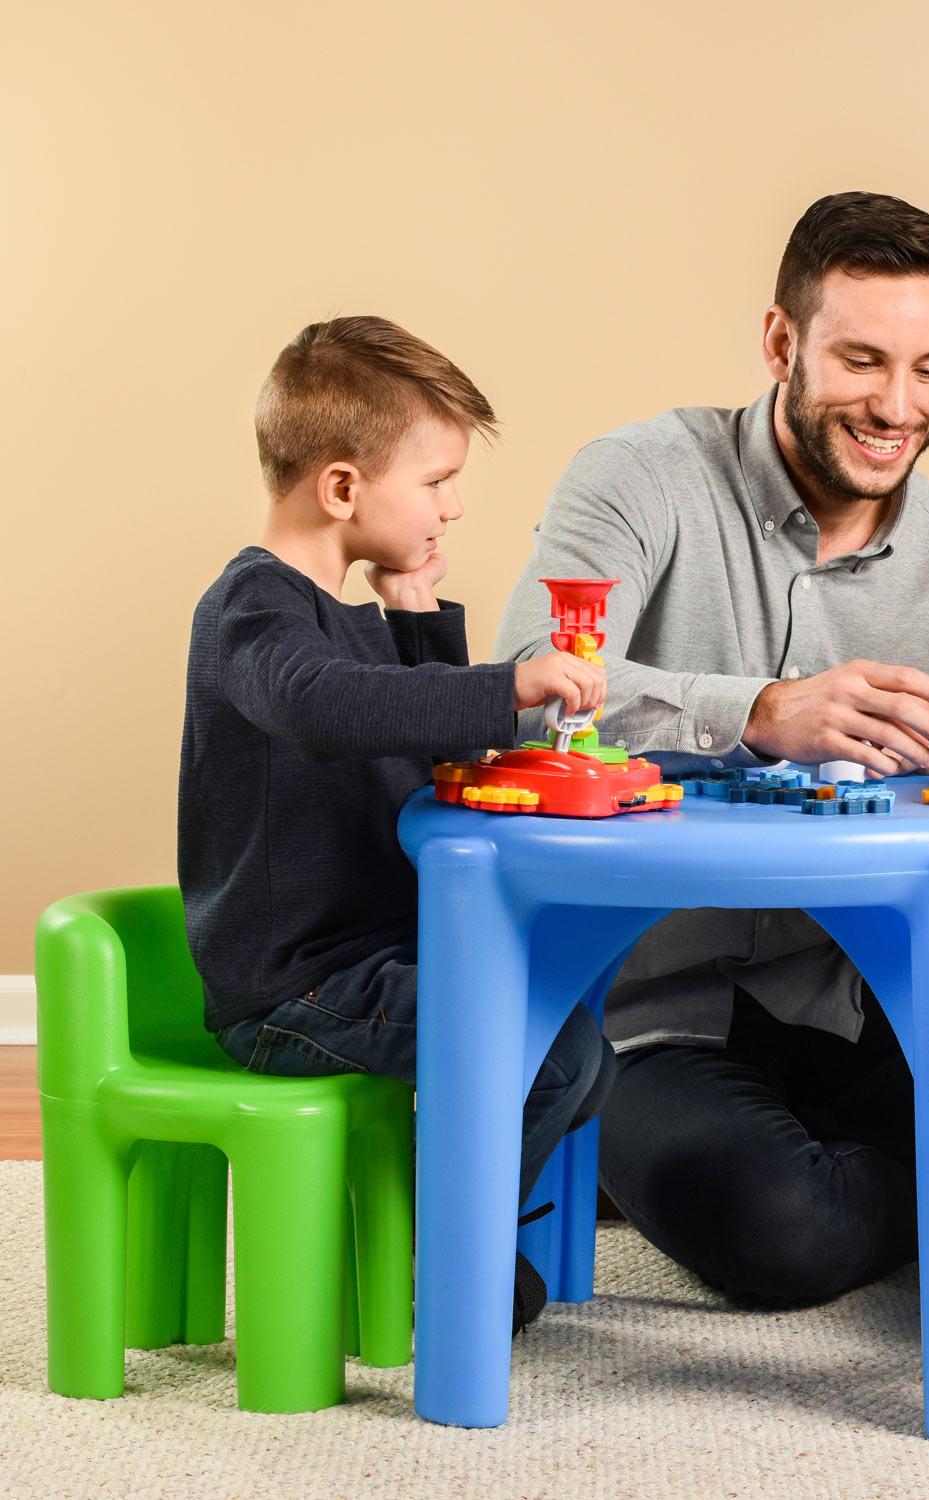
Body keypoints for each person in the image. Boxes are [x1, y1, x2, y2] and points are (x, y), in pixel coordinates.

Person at [494, 192, 929, 1305]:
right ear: (781, 340)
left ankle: (895, 1150)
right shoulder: (638, 478)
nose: (898, 405)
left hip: (866, 990)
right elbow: (522, 699)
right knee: (788, 1230)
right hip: (649, 1007)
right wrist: (757, 708)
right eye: (863, 360)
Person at [178, 315, 615, 1331]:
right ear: (341, 488)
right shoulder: (251, 615)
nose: (453, 506)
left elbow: (429, 754)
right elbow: (329, 708)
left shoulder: (345, 624)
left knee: (579, 1045)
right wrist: (509, 684)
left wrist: (417, 613)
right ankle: (446, 1256)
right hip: (296, 988)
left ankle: (456, 1229)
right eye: (434, 482)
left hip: (374, 963)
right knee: (539, 1049)